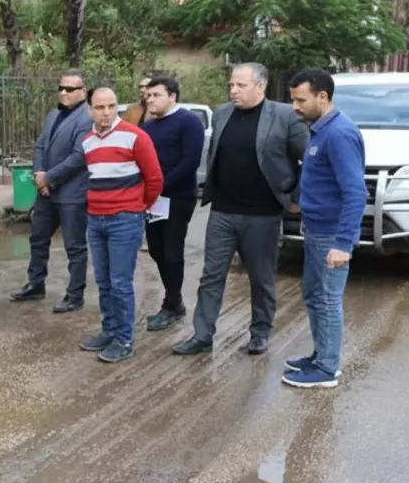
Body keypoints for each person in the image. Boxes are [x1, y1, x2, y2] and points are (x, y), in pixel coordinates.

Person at [173, 63, 309, 357]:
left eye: (241, 86)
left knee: (261, 278)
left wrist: (296, 195)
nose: (233, 90)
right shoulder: (222, 114)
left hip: (263, 214)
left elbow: (310, 158)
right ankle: (202, 334)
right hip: (223, 211)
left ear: (260, 87)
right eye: (231, 85)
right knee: (211, 276)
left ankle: (260, 333)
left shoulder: (285, 116)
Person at [283, 68, 365, 389]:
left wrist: (343, 243)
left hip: (331, 235)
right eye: (293, 100)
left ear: (322, 97)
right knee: (314, 296)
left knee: (328, 299)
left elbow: (355, 192)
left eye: (300, 100)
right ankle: (320, 356)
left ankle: (328, 369)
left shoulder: (339, 133)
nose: (295, 106)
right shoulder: (320, 130)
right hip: (316, 231)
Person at [78, 89, 164, 363]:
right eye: (100, 107)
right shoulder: (88, 141)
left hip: (124, 220)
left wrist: (136, 207)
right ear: (90, 109)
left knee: (120, 283)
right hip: (95, 219)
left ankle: (124, 339)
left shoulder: (136, 136)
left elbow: (154, 179)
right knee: (103, 281)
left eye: (111, 106)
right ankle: (109, 330)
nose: (106, 112)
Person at [11, 70, 93, 313]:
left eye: (70, 89)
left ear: (83, 92)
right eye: (61, 88)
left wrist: (49, 177)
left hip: (71, 193)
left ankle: (75, 294)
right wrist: (39, 173)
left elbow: (79, 157)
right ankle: (36, 284)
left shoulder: (86, 118)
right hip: (45, 190)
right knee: (38, 238)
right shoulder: (54, 114)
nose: (64, 93)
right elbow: (40, 145)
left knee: (74, 246)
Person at [140, 77, 205, 331]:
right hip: (153, 200)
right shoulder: (149, 127)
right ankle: (174, 298)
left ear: (172, 97)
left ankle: (171, 304)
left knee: (171, 251)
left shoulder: (188, 122)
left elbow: (190, 162)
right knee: (156, 250)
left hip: (177, 198)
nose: (150, 99)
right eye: (148, 95)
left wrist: (159, 187)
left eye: (156, 95)